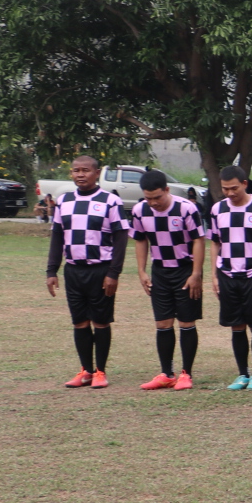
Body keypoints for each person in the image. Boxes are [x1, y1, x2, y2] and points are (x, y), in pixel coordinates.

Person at [44, 154, 126, 388]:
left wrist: (113, 273)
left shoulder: (110, 201)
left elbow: (121, 237)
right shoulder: (64, 201)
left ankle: (100, 371)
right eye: (76, 170)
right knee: (79, 322)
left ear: (96, 173)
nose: (80, 174)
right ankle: (86, 370)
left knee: (100, 322)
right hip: (73, 271)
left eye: (85, 170)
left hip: (100, 270)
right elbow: (57, 236)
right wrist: (52, 271)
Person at [206, 164, 252, 391]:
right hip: (227, 275)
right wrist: (214, 275)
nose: (230, 193)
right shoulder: (217, 209)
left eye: (234, 188)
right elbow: (215, 243)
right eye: (225, 189)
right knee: (236, 326)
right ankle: (242, 374)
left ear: (245, 184)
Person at [129, 169, 205, 391]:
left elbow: (199, 240)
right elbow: (141, 240)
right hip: (160, 272)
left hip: (185, 271)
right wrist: (142, 271)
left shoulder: (186, 209)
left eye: (157, 197)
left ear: (167, 190)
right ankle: (167, 374)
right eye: (148, 198)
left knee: (186, 322)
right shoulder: (139, 211)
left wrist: (196, 274)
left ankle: (186, 374)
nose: (153, 203)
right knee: (162, 323)